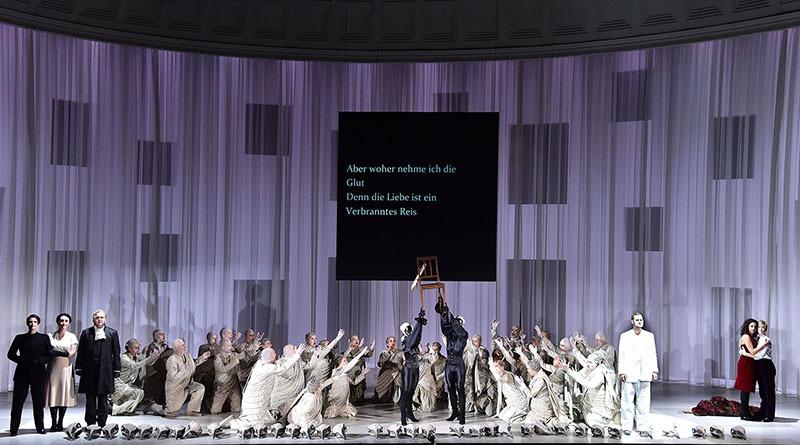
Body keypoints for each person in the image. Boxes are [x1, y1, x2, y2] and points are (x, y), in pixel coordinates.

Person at [7, 314, 69, 435]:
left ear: (38, 324)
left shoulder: (44, 338)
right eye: (30, 322)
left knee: (38, 403)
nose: (32, 324)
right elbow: (11, 354)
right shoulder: (20, 338)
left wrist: (41, 361)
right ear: (27, 323)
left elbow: (49, 354)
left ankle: (40, 428)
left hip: (39, 373)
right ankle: (13, 429)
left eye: (35, 322)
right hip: (22, 373)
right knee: (17, 403)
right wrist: (23, 360)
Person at [230, 344, 307, 430]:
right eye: (274, 355)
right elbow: (283, 368)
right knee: (252, 420)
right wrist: (297, 354)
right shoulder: (267, 368)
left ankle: (249, 427)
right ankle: (234, 424)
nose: (276, 355)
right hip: (256, 398)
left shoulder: (261, 363)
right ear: (271, 357)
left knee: (257, 419)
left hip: (259, 396)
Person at [75, 309, 121, 428]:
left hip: (105, 371)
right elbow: (81, 352)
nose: (99, 319)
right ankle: (90, 423)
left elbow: (116, 353)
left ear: (105, 319)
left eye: (101, 317)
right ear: (93, 319)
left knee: (103, 398)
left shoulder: (112, 333)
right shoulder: (86, 333)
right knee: (90, 397)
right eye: (97, 317)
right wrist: (78, 367)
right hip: (89, 370)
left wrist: (117, 368)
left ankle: (102, 423)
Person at [617, 311, 658, 435]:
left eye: (641, 320)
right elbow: (622, 354)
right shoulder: (625, 336)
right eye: (637, 320)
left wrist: (654, 370)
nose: (639, 322)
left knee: (643, 402)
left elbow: (653, 354)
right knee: (627, 401)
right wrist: (621, 372)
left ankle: (643, 427)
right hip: (629, 372)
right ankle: (626, 426)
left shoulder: (649, 336)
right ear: (632, 321)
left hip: (644, 371)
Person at [561, 351, 620, 426]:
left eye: (591, 362)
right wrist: (567, 369)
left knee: (593, 422)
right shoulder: (589, 368)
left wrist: (569, 371)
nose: (588, 364)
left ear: (598, 363)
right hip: (589, 405)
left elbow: (589, 384)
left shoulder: (601, 371)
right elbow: (579, 375)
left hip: (598, 407)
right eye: (588, 362)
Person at [436, 295, 468, 424]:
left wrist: (448, 311)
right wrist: (443, 311)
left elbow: (456, 327)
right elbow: (444, 326)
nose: (455, 324)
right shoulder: (449, 335)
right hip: (449, 364)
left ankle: (462, 415)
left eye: (458, 323)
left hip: (459, 364)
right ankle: (455, 411)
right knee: (450, 389)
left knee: (460, 389)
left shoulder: (463, 335)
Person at [45, 313, 78, 432]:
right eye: (61, 320)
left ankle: (60, 423)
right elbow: (48, 351)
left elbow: (71, 353)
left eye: (66, 321)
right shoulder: (50, 336)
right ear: (57, 322)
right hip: (53, 368)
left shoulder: (72, 336)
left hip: (65, 368)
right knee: (53, 394)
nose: (63, 323)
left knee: (63, 395)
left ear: (69, 323)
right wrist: (62, 351)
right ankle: (53, 423)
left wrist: (56, 351)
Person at [322, 341, 373, 418]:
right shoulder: (336, 371)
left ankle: (341, 410)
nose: (346, 362)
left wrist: (362, 374)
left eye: (346, 361)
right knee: (331, 413)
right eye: (344, 361)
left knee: (352, 413)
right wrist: (362, 353)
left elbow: (354, 382)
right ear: (339, 363)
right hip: (335, 399)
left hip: (343, 402)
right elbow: (350, 364)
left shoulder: (345, 376)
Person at [111, 338, 162, 415]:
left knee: (140, 392)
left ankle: (121, 409)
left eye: (138, 348)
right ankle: (117, 409)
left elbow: (148, 362)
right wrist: (148, 359)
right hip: (120, 386)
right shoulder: (123, 358)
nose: (138, 350)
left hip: (128, 385)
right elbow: (134, 366)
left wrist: (156, 355)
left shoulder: (137, 356)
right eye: (136, 348)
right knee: (138, 392)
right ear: (129, 348)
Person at [165, 338, 209, 417]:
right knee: (171, 413)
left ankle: (192, 411)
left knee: (199, 388)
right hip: (176, 387)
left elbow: (194, 364)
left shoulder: (187, 355)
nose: (184, 347)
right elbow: (173, 377)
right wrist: (186, 371)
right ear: (176, 348)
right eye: (182, 345)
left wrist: (202, 357)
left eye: (184, 345)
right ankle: (153, 407)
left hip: (188, 383)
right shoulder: (172, 360)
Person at [399, 308, 426, 425]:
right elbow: (414, 337)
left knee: (411, 392)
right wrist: (419, 321)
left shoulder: (413, 341)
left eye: (410, 328)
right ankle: (403, 415)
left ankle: (409, 413)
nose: (409, 330)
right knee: (406, 392)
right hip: (408, 369)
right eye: (407, 329)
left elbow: (417, 336)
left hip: (415, 368)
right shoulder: (406, 340)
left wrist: (420, 323)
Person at [734, 318, 759, 421]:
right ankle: (744, 413)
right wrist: (762, 347)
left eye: (755, 327)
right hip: (746, 364)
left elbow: (749, 353)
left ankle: (745, 412)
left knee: (746, 389)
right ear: (747, 327)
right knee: (745, 388)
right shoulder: (746, 336)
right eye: (751, 326)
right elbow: (753, 353)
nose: (754, 328)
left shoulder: (751, 337)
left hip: (749, 363)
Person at [142, 329, 173, 409]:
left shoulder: (166, 348)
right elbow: (146, 362)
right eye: (160, 334)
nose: (163, 336)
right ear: (154, 337)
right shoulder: (149, 347)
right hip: (153, 372)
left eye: (164, 334)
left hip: (164, 372)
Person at [211, 339, 242, 414]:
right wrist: (235, 362)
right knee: (215, 411)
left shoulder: (233, 355)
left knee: (237, 408)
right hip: (223, 385)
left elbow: (245, 354)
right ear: (223, 347)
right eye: (228, 346)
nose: (231, 347)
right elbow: (222, 369)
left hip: (233, 383)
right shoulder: (218, 358)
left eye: (231, 345)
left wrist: (254, 347)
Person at [753, 320, 775, 422]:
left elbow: (760, 355)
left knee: (768, 391)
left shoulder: (766, 339)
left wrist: (749, 354)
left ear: (765, 329)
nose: (761, 329)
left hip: (766, 365)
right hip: (760, 366)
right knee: (762, 391)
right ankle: (763, 412)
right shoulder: (758, 340)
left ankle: (769, 415)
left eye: (763, 327)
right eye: (759, 327)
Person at [343, 334, 373, 404]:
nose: (357, 341)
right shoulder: (347, 352)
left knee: (359, 390)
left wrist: (371, 349)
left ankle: (359, 400)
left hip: (359, 373)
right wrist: (359, 348)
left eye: (357, 339)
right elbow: (350, 355)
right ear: (349, 341)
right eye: (354, 339)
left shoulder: (361, 350)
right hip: (351, 374)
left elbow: (368, 354)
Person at [374, 336, 404, 403]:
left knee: (398, 380)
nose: (393, 342)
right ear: (387, 344)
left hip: (397, 372)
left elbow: (404, 362)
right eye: (390, 341)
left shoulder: (400, 352)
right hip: (386, 373)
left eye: (394, 341)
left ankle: (397, 398)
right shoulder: (384, 353)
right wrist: (385, 360)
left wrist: (399, 366)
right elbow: (379, 364)